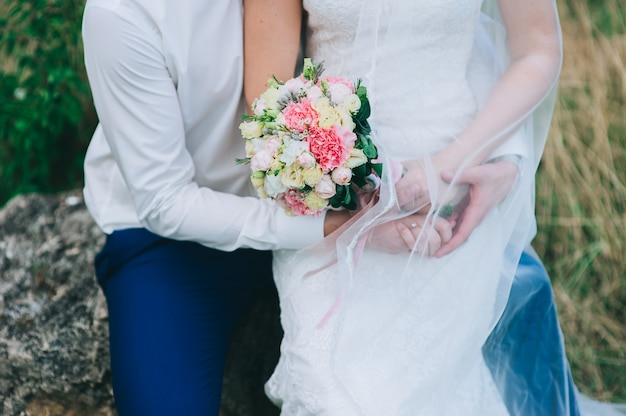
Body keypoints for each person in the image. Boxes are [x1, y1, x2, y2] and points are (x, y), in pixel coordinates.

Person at [80, 1, 587, 415]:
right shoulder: (122, 15)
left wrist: (503, 160)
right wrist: (343, 225)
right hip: (186, 244)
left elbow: (444, 32)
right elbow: (166, 203)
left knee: (513, 296)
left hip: (355, 192)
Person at [242, 0, 595, 414]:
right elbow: (268, 97)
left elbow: (538, 50)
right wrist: (348, 200)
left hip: (453, 178)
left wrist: (449, 168)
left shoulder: (454, 170)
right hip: (331, 192)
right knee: (329, 390)